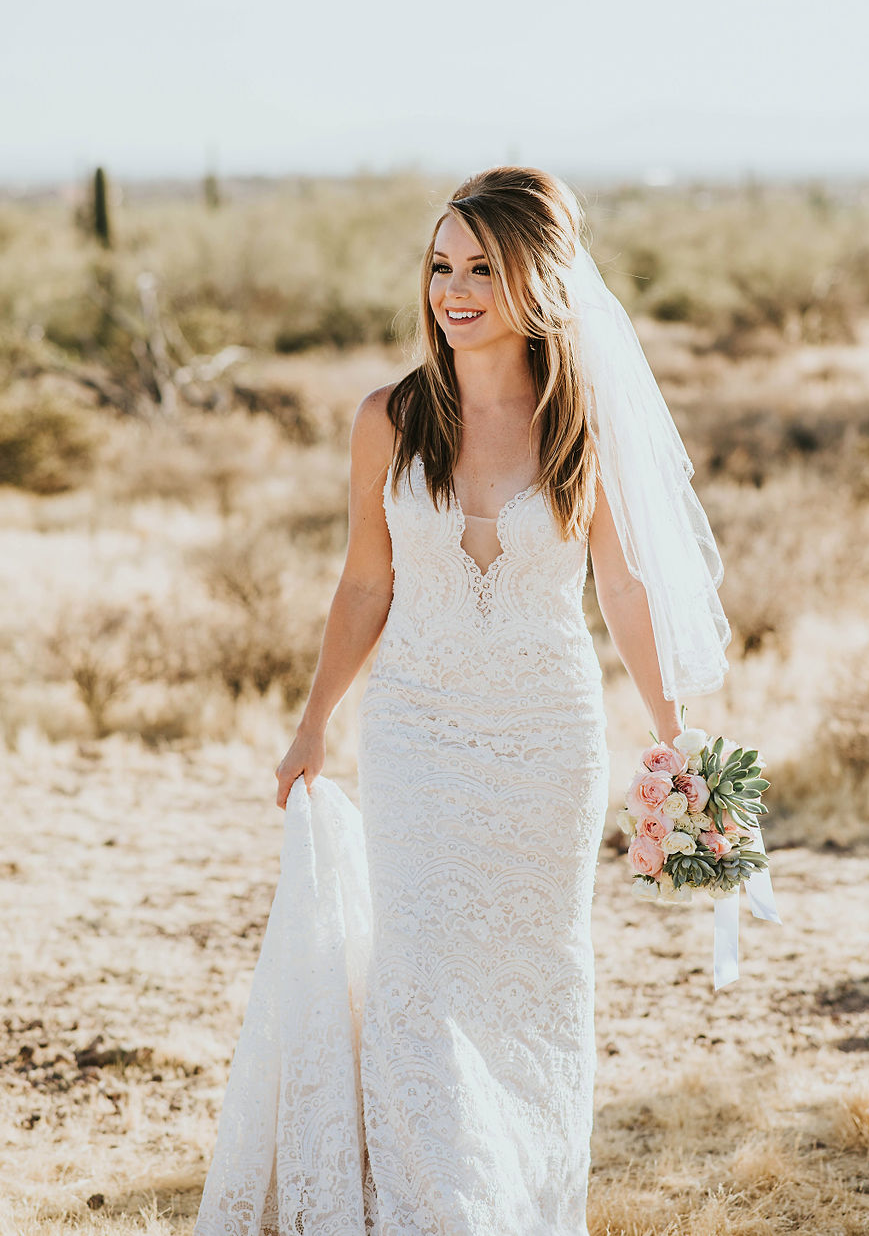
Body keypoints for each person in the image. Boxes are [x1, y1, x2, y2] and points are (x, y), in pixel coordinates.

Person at [194, 166, 730, 1236]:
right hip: (417, 735)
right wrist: (313, 726)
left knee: (533, 990)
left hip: (546, 745)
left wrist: (686, 741)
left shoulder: (582, 422)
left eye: (482, 266)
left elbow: (621, 587)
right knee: (419, 988)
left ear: (540, 276)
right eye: (441, 265)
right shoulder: (388, 419)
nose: (455, 288)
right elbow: (364, 582)